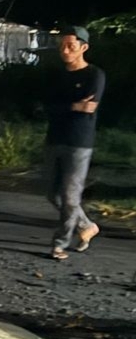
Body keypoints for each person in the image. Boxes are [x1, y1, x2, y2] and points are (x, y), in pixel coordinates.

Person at [44, 25, 105, 260]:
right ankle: (87, 225)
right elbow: (47, 107)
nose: (65, 50)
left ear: (84, 48)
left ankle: (60, 243)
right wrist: (73, 105)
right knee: (53, 195)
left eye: (71, 45)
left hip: (79, 142)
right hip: (54, 138)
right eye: (62, 45)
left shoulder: (94, 75)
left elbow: (90, 107)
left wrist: (65, 106)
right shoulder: (57, 76)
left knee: (70, 197)